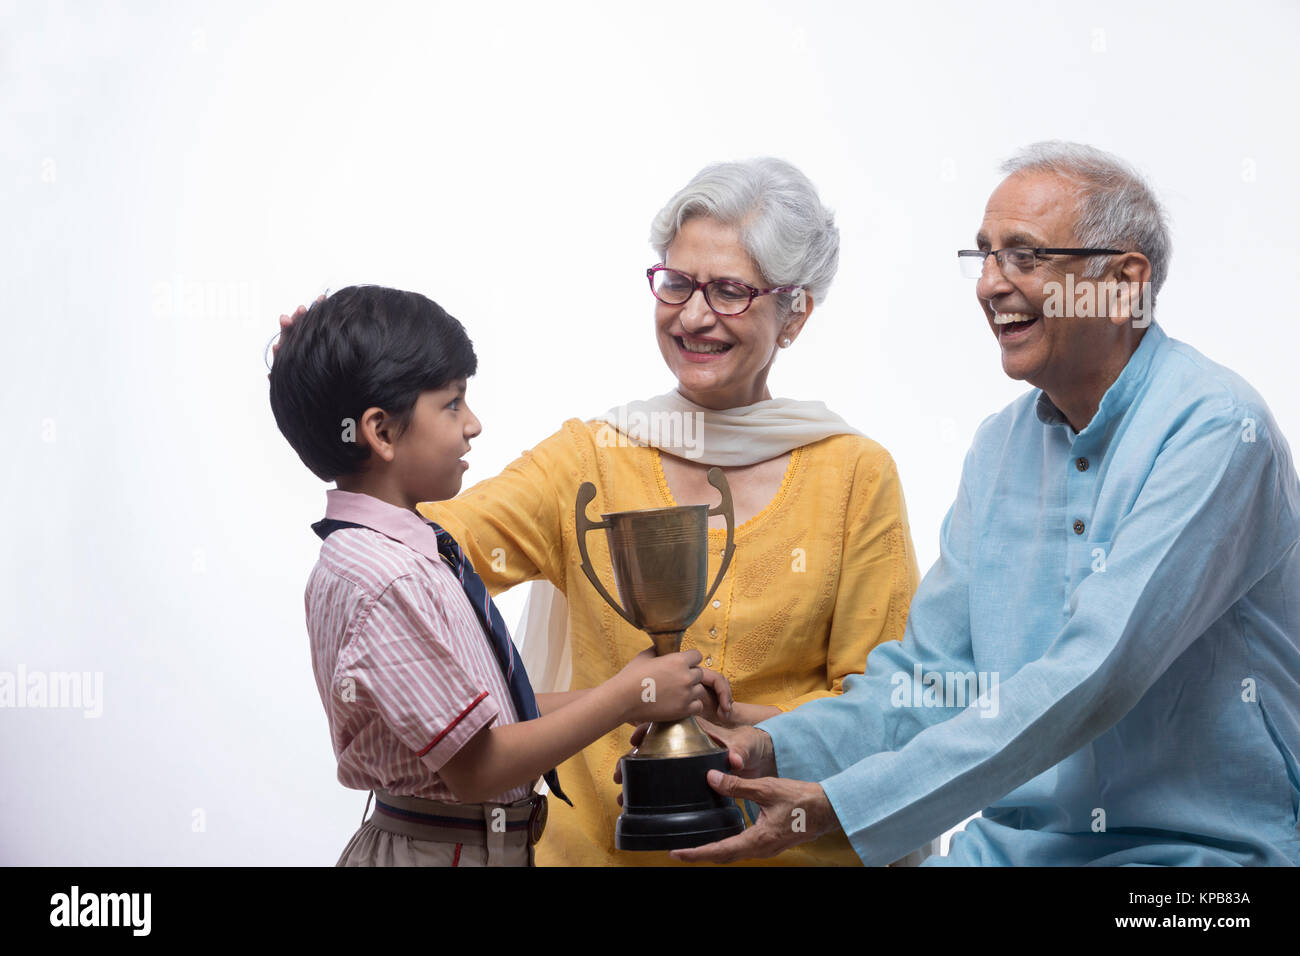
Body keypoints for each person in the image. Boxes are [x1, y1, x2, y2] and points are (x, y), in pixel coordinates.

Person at [676, 141, 1300, 867]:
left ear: (1126, 283)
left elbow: (1093, 676)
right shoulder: (998, 448)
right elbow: (931, 683)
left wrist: (843, 806)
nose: (991, 285)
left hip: (1201, 865)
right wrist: (773, 746)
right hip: (1009, 853)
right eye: (985, 256)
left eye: (1025, 257)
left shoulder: (1218, 429)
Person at [411, 158, 923, 866]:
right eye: (677, 282)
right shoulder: (589, 461)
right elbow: (418, 552)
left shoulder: (855, 477)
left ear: (795, 312)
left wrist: (738, 728)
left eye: (731, 291)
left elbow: (887, 707)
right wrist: (336, 389)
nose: (693, 315)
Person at [268, 285, 729, 866]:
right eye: (453, 403)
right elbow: (479, 767)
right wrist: (621, 698)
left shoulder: (406, 554)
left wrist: (635, 697)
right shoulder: (386, 579)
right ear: (381, 432)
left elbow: (487, 714)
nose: (473, 424)